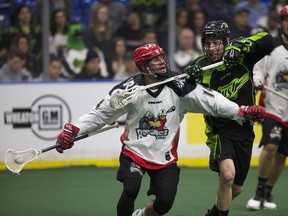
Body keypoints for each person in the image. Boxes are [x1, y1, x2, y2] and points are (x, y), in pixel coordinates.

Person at [54, 43, 266, 216]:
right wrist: (73, 131)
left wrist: (242, 111)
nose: (161, 62)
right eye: (154, 60)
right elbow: (100, 114)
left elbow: (213, 102)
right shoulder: (129, 91)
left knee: (164, 203)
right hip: (134, 153)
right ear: (143, 66)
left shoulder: (180, 85)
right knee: (130, 189)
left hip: (165, 157)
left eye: (161, 57)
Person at [185, 20, 275, 216]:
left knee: (236, 188)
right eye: (208, 43)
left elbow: (269, 40)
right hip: (219, 131)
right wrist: (189, 78)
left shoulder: (242, 55)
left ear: (226, 41)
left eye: (216, 42)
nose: (211, 48)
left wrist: (238, 47)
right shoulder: (201, 66)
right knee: (227, 176)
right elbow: (184, 90)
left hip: (244, 130)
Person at [246, 5, 288, 211]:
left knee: (282, 155)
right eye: (286, 19)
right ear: (281, 23)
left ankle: (268, 191)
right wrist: (257, 80)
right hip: (272, 106)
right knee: (271, 146)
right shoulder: (272, 47)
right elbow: (258, 70)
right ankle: (259, 190)